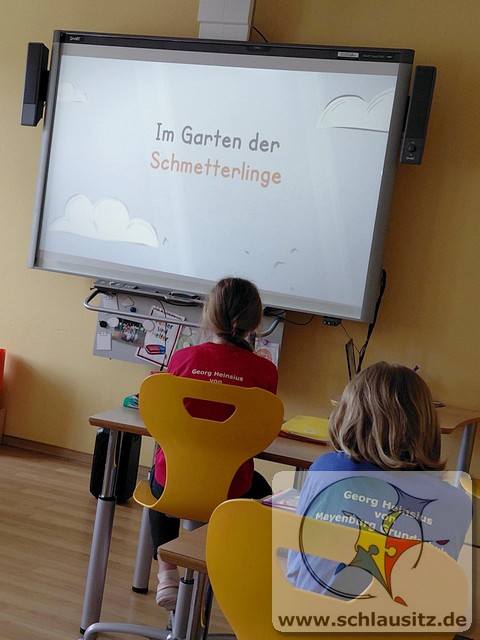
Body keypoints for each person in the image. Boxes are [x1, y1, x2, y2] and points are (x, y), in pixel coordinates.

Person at [287, 362, 472, 598]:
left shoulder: (328, 470)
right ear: (427, 426)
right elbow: (436, 591)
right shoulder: (457, 503)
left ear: (348, 416)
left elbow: (296, 570)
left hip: (311, 617)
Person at [149, 277, 278, 610]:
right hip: (231, 488)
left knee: (158, 470)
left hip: (173, 485)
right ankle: (228, 572)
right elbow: (258, 436)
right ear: (255, 322)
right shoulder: (265, 372)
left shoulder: (183, 359)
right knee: (266, 494)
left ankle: (166, 573)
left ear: (210, 315)